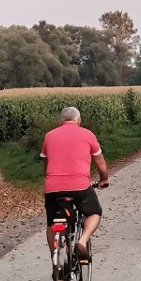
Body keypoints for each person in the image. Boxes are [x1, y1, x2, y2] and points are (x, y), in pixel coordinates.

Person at [40, 106, 109, 260]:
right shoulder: (87, 134)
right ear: (79, 120)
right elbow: (101, 164)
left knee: (52, 222)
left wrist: (49, 181)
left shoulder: (49, 136)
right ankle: (82, 242)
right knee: (94, 212)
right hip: (80, 186)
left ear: (61, 121)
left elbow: (46, 164)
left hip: (53, 187)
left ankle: (55, 259)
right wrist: (103, 179)